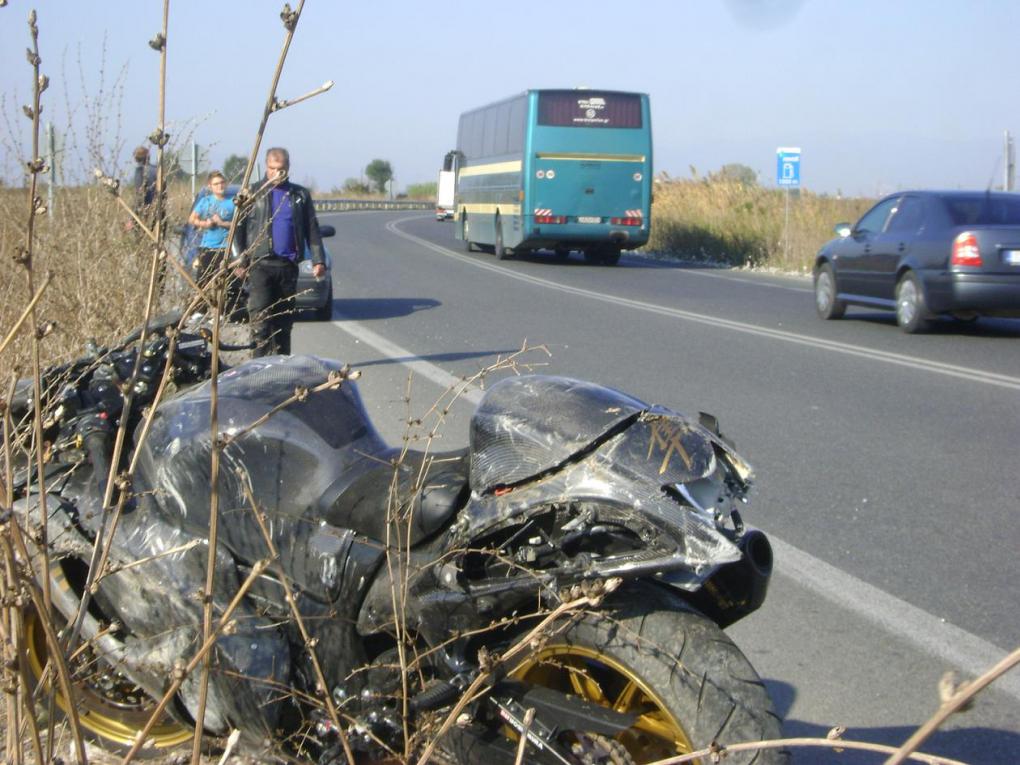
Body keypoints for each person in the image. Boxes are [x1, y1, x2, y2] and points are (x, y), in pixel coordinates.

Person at [236, 147, 326, 356]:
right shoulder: (252, 193)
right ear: (265, 167)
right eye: (272, 169)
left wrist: (318, 260)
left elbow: (312, 229)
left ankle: (283, 365)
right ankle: (257, 367)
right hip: (260, 265)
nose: (276, 174)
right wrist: (239, 260)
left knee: (283, 323)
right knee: (260, 323)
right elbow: (237, 230)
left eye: (281, 169)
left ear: (288, 168)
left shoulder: (300, 195)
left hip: (287, 266)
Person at [188, 170, 235, 289]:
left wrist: (222, 223)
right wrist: (205, 224)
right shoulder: (206, 201)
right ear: (210, 186)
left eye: (222, 182)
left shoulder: (233, 201)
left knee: (227, 285)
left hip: (226, 249)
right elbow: (192, 219)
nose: (220, 186)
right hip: (208, 247)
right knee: (203, 284)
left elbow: (239, 223)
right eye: (216, 184)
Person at [130, 145, 158, 229]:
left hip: (144, 215)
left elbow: (140, 195)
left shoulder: (140, 171)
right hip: (158, 213)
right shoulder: (157, 170)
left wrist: (133, 218)